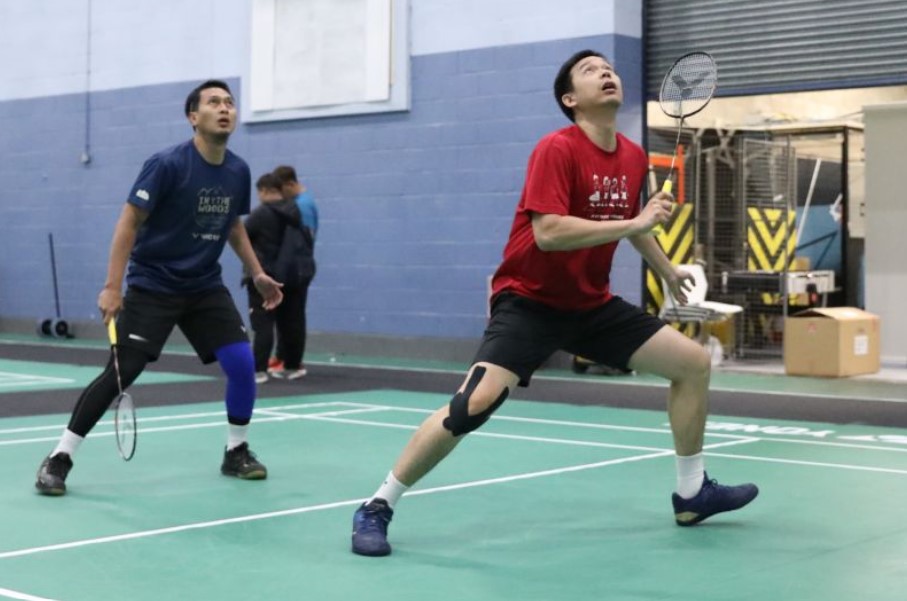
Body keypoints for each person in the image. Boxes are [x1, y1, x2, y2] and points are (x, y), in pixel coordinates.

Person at [350, 50, 758, 557]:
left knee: (692, 364)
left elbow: (631, 224)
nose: (606, 73)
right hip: (530, 302)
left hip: (590, 305)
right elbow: (549, 233)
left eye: (609, 68)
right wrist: (635, 222)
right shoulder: (556, 149)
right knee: (472, 405)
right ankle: (377, 505)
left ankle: (693, 493)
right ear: (570, 99)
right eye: (590, 71)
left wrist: (666, 269)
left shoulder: (633, 156)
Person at [34, 80, 284, 496]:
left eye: (229, 102)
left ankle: (236, 451)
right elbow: (129, 222)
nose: (225, 108)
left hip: (204, 286)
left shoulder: (238, 170)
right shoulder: (167, 164)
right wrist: (112, 287)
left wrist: (256, 272)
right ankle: (60, 457)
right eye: (214, 102)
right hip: (154, 284)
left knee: (242, 364)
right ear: (193, 117)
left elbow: (233, 226)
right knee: (122, 372)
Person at [244, 173, 311, 383]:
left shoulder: (260, 214)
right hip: (291, 276)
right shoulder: (295, 211)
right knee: (293, 321)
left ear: (264, 190)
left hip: (265, 276)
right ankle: (292, 366)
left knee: (263, 323)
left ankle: (259, 369)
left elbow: (241, 237)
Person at [267, 165, 318, 379]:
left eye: (281, 190)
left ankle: (294, 362)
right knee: (284, 314)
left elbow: (299, 242)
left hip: (298, 268)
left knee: (294, 316)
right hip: (292, 268)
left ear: (290, 184)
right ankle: (282, 356)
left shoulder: (302, 206)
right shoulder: (296, 203)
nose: (279, 196)